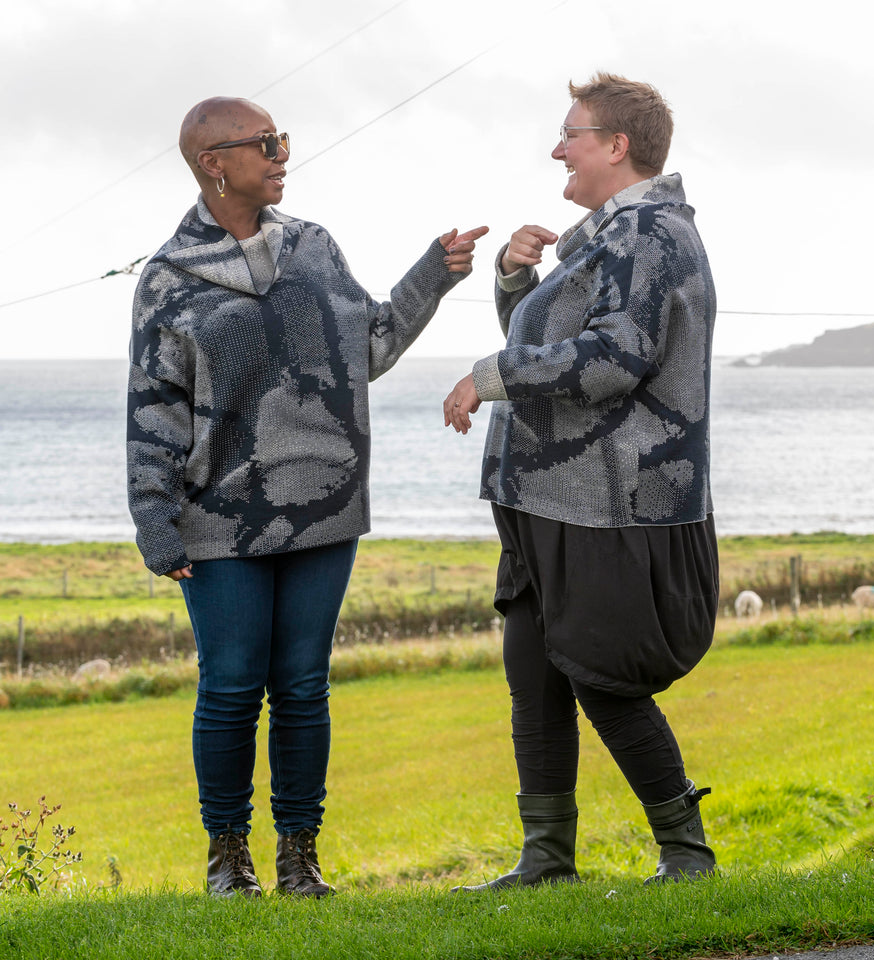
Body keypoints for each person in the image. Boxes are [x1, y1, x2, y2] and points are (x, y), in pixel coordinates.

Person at [127, 96, 487, 898]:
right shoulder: (167, 280)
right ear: (213, 163)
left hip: (325, 506)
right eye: (266, 143)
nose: (283, 153)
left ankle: (299, 858)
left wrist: (432, 273)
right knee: (229, 684)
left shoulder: (316, 248)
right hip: (217, 517)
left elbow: (370, 347)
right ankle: (228, 859)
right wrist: (153, 517)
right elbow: (153, 405)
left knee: (302, 684)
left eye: (281, 138)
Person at [443, 73, 718, 888]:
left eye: (570, 133)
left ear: (616, 146)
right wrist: (513, 283)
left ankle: (687, 853)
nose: (557, 147)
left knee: (601, 675)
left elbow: (614, 360)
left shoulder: (649, 235)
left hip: (608, 502)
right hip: (546, 495)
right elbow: (561, 349)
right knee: (534, 674)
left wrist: (491, 373)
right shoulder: (603, 236)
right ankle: (547, 859)